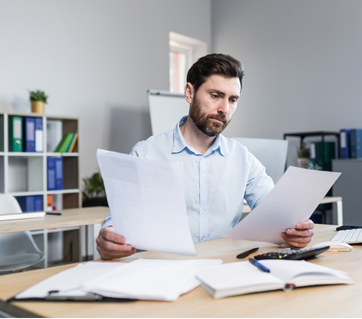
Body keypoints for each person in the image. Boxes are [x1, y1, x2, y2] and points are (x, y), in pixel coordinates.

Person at [96, 53, 314, 260]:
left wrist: (296, 230)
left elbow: (276, 212)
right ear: (190, 93)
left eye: (233, 100)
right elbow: (120, 221)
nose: (224, 109)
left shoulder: (242, 158)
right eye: (216, 95)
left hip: (222, 270)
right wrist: (110, 238)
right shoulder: (146, 153)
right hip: (163, 273)